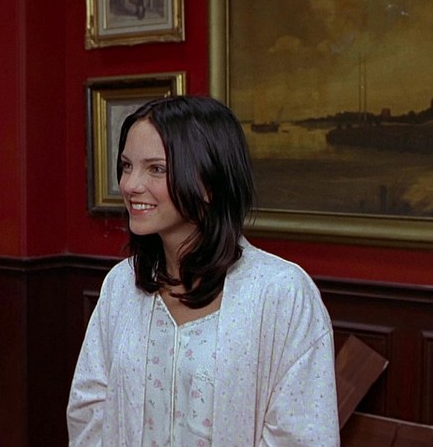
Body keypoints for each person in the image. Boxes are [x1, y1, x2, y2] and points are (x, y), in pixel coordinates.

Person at [67, 96, 339, 446]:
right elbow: (89, 409)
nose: (131, 185)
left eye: (156, 169)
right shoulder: (121, 285)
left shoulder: (282, 293)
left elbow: (303, 436)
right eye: (126, 165)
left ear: (210, 182)